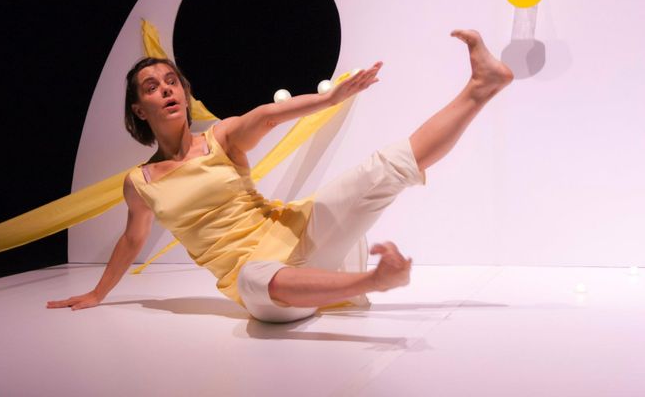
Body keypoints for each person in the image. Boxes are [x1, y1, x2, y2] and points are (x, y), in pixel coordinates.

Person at [47, 30, 513, 322]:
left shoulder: (220, 139)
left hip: (302, 234)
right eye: (152, 87)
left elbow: (267, 116)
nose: (166, 90)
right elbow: (132, 240)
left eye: (172, 82)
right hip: (266, 289)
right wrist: (98, 293)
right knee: (252, 279)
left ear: (184, 95)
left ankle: (480, 87)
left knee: (384, 166)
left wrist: (329, 99)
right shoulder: (141, 183)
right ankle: (375, 281)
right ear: (138, 109)